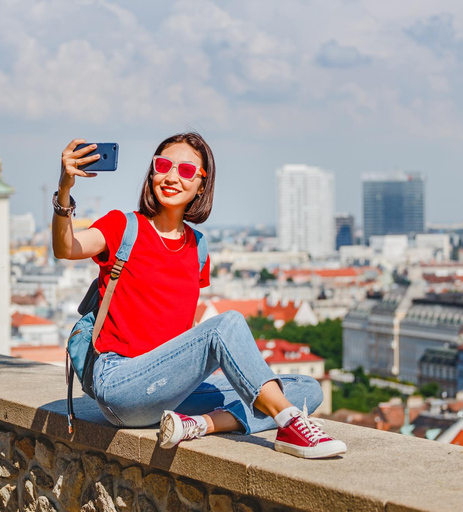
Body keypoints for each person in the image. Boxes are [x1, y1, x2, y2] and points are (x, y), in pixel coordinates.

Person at [52, 133, 346, 459]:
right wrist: (65, 188)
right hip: (121, 384)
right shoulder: (124, 227)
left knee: (305, 389)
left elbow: (179, 332)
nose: (172, 177)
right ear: (152, 173)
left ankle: (198, 425)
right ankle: (290, 426)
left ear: (202, 186)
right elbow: (66, 248)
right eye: (162, 166)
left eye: (187, 171)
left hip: (169, 390)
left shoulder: (199, 247)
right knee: (228, 325)